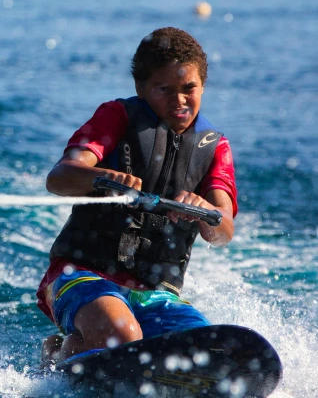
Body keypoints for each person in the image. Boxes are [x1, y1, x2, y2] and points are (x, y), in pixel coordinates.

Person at [37, 27, 237, 366]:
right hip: (82, 275)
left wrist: (205, 212)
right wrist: (104, 177)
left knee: (210, 355)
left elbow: (224, 228)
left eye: (189, 88)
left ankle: (93, 345)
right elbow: (60, 178)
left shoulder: (213, 148)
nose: (179, 101)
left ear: (203, 85)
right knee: (122, 337)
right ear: (141, 89)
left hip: (158, 293)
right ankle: (59, 354)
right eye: (164, 90)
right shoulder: (116, 117)